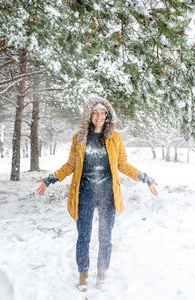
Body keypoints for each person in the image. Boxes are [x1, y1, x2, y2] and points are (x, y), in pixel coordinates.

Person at [37, 96, 158, 292]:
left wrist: (146, 178)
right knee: (83, 236)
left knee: (105, 237)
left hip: (107, 195)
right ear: (89, 115)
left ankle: (102, 273)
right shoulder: (79, 138)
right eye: (95, 112)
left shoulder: (115, 138)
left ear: (108, 116)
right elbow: (70, 165)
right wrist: (50, 180)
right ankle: (83, 275)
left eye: (103, 112)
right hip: (84, 193)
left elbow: (123, 165)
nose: (99, 116)